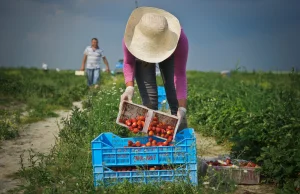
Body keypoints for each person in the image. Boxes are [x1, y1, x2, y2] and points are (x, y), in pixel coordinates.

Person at [120, 7, 189, 131]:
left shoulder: (179, 39)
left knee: (174, 95)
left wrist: (182, 108)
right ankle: (152, 131)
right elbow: (129, 62)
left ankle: (179, 129)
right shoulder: (130, 38)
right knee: (149, 101)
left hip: (169, 51)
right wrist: (129, 88)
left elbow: (179, 74)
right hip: (142, 56)